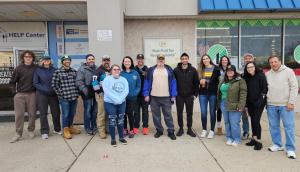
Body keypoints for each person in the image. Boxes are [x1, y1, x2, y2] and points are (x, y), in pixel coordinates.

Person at [266, 56, 298, 159]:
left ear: (280, 62)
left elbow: (294, 87)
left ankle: (290, 149)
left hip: (285, 105)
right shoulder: (268, 74)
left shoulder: (288, 71)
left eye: (275, 62)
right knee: (273, 126)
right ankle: (277, 144)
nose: (273, 64)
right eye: (271, 62)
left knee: (289, 127)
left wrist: (291, 102)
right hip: (271, 104)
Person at [143, 54, 177, 140]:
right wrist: (146, 94)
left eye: (162, 59)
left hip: (166, 97)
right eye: (159, 59)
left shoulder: (169, 70)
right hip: (154, 97)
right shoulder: (151, 70)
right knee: (156, 115)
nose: (160, 61)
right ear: (156, 60)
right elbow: (146, 82)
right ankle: (159, 130)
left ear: (164, 60)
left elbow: (173, 83)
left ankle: (171, 131)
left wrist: (173, 95)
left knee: (168, 115)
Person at [9, 50, 37, 143]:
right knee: (19, 115)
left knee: (32, 114)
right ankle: (18, 133)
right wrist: (14, 92)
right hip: (20, 94)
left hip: (32, 94)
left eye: (30, 56)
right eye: (26, 56)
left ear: (32, 58)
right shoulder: (18, 68)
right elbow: (12, 82)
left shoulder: (36, 68)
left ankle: (31, 130)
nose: (28, 58)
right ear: (23, 58)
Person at [33, 53, 61, 140]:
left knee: (56, 113)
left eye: (48, 60)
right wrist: (45, 90)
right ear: (42, 61)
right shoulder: (38, 70)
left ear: (50, 61)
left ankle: (57, 129)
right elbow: (35, 83)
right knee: (43, 113)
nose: (46, 61)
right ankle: (44, 131)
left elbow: (58, 81)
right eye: (45, 60)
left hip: (53, 94)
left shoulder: (55, 70)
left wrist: (55, 90)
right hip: (42, 94)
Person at [52, 55, 81, 139]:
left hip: (74, 97)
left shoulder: (74, 71)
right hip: (64, 98)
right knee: (65, 114)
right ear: (62, 62)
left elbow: (77, 83)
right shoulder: (58, 72)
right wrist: (61, 94)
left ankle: (70, 127)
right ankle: (65, 129)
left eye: (68, 60)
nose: (67, 61)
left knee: (72, 113)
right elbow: (54, 85)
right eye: (65, 60)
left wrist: (77, 93)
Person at [217, 66, 247, 146]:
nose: (229, 72)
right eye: (228, 70)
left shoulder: (240, 80)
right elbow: (219, 92)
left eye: (231, 70)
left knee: (234, 122)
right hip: (224, 103)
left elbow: (243, 93)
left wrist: (241, 105)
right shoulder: (223, 80)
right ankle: (229, 137)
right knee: (227, 122)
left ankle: (237, 139)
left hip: (235, 104)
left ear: (235, 71)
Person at [243, 62, 267, 150]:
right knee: (252, 120)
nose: (249, 69)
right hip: (250, 103)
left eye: (251, 67)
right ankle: (253, 138)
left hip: (259, 102)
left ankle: (259, 141)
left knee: (256, 120)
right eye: (248, 67)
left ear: (255, 67)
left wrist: (260, 100)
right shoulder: (246, 77)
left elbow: (264, 89)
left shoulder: (260, 75)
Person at [102, 64, 129, 147]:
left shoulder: (124, 79)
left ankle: (121, 137)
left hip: (122, 102)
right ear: (111, 71)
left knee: (121, 120)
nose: (116, 70)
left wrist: (120, 99)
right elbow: (106, 91)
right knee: (112, 120)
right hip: (110, 103)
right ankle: (113, 139)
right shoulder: (107, 79)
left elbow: (126, 90)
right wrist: (116, 99)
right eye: (114, 69)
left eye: (118, 69)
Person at [173, 52, 199, 137]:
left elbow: (196, 83)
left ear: (188, 59)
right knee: (179, 113)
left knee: (189, 113)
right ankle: (180, 128)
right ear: (181, 60)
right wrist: (174, 94)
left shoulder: (193, 70)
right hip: (179, 96)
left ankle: (189, 129)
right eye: (183, 58)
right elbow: (173, 83)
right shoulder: (176, 70)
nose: (184, 60)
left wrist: (195, 94)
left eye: (186, 58)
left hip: (189, 95)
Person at [198, 54, 220, 139]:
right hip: (202, 93)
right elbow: (197, 80)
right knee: (203, 112)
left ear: (209, 59)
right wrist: (200, 81)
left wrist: (205, 81)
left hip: (212, 93)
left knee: (212, 112)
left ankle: (211, 131)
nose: (205, 60)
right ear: (202, 61)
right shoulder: (200, 69)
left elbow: (216, 81)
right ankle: (204, 129)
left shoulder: (216, 68)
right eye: (203, 59)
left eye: (207, 58)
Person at [76, 54, 98, 135]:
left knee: (95, 111)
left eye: (92, 59)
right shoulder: (82, 69)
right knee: (88, 111)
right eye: (89, 59)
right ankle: (87, 127)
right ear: (86, 60)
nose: (91, 60)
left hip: (96, 92)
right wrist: (86, 91)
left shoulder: (96, 68)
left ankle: (94, 126)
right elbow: (79, 82)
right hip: (87, 92)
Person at [121, 56, 141, 138]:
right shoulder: (121, 74)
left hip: (133, 98)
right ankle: (125, 129)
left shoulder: (135, 73)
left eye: (128, 61)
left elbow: (138, 85)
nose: (127, 63)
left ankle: (132, 129)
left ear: (131, 62)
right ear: (123, 63)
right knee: (124, 114)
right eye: (125, 61)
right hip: (123, 98)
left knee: (131, 114)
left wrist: (134, 93)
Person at [216, 55, 236, 135]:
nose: (224, 61)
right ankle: (219, 127)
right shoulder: (217, 69)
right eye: (223, 60)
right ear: (221, 61)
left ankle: (231, 129)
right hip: (221, 92)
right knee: (219, 110)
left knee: (230, 112)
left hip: (230, 93)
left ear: (228, 61)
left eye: (226, 60)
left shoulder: (232, 68)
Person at [95, 55, 111, 139]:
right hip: (101, 95)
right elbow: (94, 82)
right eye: (105, 60)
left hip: (110, 96)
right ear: (102, 61)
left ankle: (107, 129)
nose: (106, 62)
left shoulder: (111, 70)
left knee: (109, 113)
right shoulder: (98, 71)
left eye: (108, 60)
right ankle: (101, 131)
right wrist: (99, 92)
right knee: (101, 113)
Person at [134, 54, 149, 135]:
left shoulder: (147, 69)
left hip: (144, 95)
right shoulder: (134, 69)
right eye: (139, 59)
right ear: (137, 60)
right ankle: (136, 127)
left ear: (143, 60)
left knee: (145, 112)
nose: (140, 60)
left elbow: (150, 82)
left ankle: (145, 127)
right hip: (136, 95)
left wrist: (148, 94)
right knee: (136, 112)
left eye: (142, 59)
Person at [240, 53, 254, 139]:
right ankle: (246, 132)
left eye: (249, 58)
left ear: (253, 59)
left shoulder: (257, 71)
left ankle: (254, 133)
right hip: (244, 98)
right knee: (244, 116)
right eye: (246, 58)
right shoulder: (241, 71)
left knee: (254, 117)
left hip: (253, 98)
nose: (248, 60)